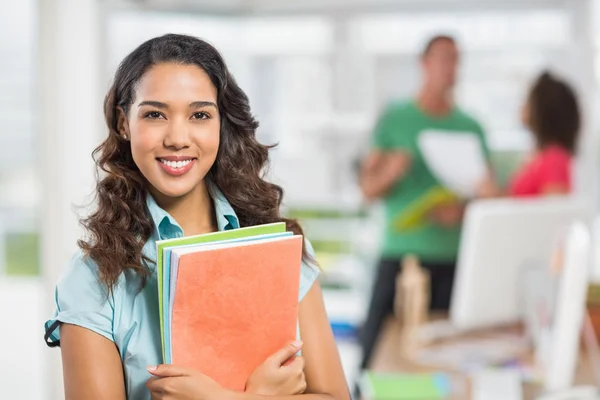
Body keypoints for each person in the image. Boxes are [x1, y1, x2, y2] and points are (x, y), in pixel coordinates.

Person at [43, 34, 349, 400]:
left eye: (200, 115)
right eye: (155, 114)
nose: (178, 138)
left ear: (222, 123)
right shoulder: (93, 278)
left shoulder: (279, 246)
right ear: (124, 123)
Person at [357, 35, 491, 375]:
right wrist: (393, 170)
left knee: (445, 360)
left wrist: (461, 211)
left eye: (456, 60)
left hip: (454, 258)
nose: (451, 68)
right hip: (402, 257)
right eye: (444, 58)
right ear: (425, 64)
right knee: (376, 355)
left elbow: (487, 195)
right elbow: (368, 190)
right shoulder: (396, 119)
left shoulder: (471, 126)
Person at [478, 71, 581, 198]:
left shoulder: (554, 158)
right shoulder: (538, 157)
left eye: (527, 100)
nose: (522, 106)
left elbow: (555, 213)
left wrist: (498, 196)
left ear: (543, 110)